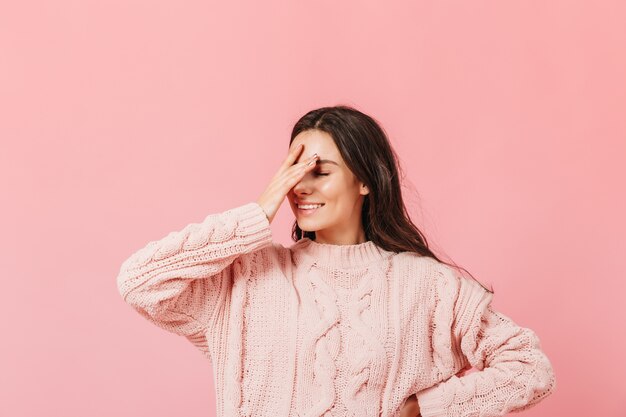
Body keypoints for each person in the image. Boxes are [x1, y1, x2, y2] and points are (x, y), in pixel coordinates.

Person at [116, 105, 556, 417]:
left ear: (364, 180)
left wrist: (428, 408)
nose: (300, 187)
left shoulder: (428, 286)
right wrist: (257, 211)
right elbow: (140, 281)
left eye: (319, 171)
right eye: (292, 172)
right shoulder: (246, 278)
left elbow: (529, 369)